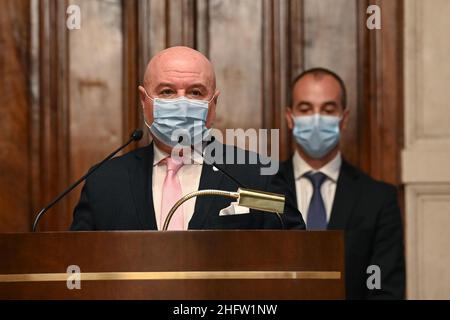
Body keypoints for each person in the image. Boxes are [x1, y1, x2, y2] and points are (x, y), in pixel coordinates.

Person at [71, 46, 305, 231]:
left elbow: (294, 256)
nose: (182, 104)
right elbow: (82, 264)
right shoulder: (104, 182)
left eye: (195, 92)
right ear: (144, 101)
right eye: (167, 91)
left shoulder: (258, 176)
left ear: (213, 103)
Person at [276, 67, 405, 299]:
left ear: (343, 119)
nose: (316, 118)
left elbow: (385, 290)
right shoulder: (264, 187)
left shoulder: (378, 199)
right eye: (305, 109)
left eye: (327, 109)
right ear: (290, 118)